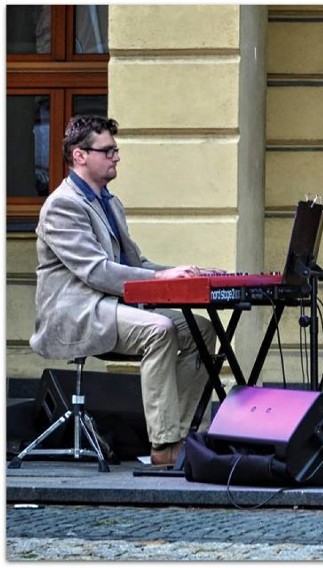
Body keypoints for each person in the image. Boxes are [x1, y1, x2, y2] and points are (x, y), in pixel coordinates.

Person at [29, 115, 222, 467]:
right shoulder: (62, 205)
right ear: (79, 156)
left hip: (112, 305)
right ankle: (163, 445)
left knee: (203, 330)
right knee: (159, 330)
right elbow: (96, 272)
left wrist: (177, 273)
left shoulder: (109, 202)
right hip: (79, 311)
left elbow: (135, 262)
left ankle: (184, 433)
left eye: (116, 150)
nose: (116, 157)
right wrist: (163, 280)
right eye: (108, 151)